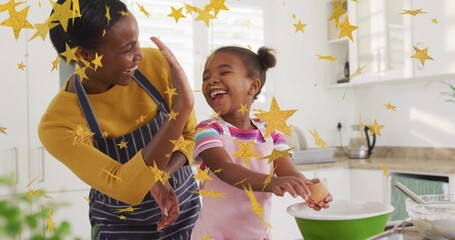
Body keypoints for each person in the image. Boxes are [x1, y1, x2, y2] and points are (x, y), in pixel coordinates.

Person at [38, 0, 200, 238]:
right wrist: (181, 110)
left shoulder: (154, 64)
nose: (139, 55)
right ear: (84, 55)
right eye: (127, 49)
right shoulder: (59, 123)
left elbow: (191, 136)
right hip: (121, 230)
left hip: (188, 215)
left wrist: (160, 175)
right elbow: (125, 186)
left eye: (137, 42)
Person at [190, 46, 332, 239]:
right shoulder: (207, 130)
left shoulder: (270, 133)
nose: (212, 80)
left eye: (224, 72)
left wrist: (305, 186)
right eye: (206, 77)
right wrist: (271, 182)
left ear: (253, 86)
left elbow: (286, 171)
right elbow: (224, 169)